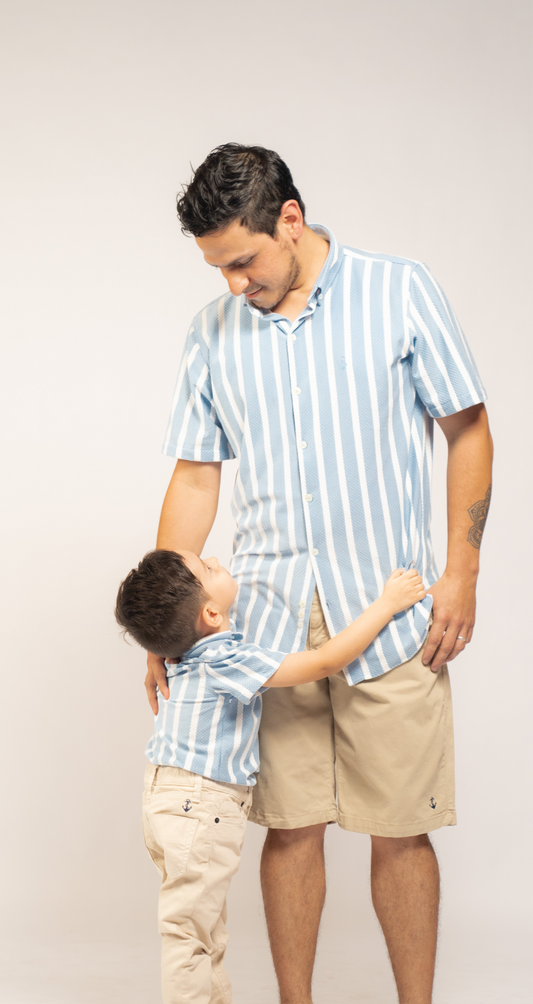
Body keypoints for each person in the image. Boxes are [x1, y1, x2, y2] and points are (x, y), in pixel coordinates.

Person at [145, 144, 493, 1004]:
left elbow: (467, 428)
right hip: (264, 621)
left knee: (399, 833)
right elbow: (195, 475)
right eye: (217, 267)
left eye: (243, 260)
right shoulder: (212, 333)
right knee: (289, 830)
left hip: (389, 610)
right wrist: (173, 620)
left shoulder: (398, 290)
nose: (232, 282)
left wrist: (462, 570)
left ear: (289, 221)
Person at [116, 547, 426, 1004]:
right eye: (209, 568)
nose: (218, 560)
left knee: (201, 929)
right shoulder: (226, 658)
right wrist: (386, 604)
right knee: (190, 937)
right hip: (199, 806)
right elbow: (322, 663)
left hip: (169, 800)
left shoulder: (185, 654)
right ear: (212, 612)